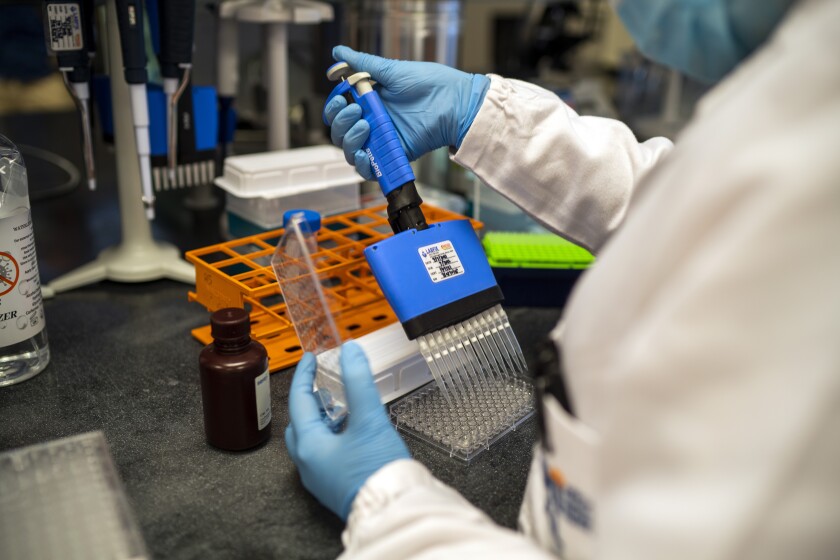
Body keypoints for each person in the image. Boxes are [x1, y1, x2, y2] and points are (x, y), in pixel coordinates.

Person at [286, 0, 840, 558]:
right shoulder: (804, 88)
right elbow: (675, 199)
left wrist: (387, 505)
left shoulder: (815, 177)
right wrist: (476, 111)